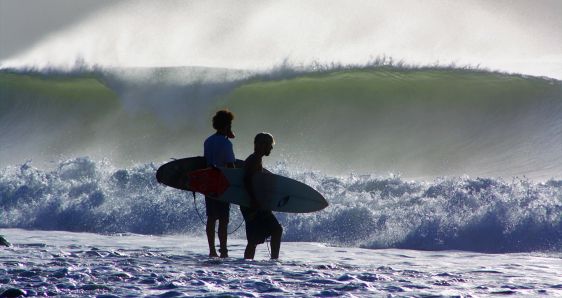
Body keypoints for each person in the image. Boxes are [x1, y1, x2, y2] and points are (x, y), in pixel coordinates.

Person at [241, 133, 283, 259]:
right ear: (262, 145)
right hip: (254, 204)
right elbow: (246, 181)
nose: (271, 148)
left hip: (252, 204)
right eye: (269, 145)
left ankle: (246, 266)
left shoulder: (255, 159)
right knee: (276, 230)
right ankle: (274, 261)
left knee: (253, 240)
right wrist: (254, 200)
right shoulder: (254, 160)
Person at [203, 110, 236, 258]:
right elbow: (230, 167)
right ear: (227, 125)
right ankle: (223, 250)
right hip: (222, 183)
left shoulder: (208, 141)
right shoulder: (226, 143)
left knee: (211, 218)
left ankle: (212, 250)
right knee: (223, 219)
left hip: (209, 181)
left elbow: (206, 162)